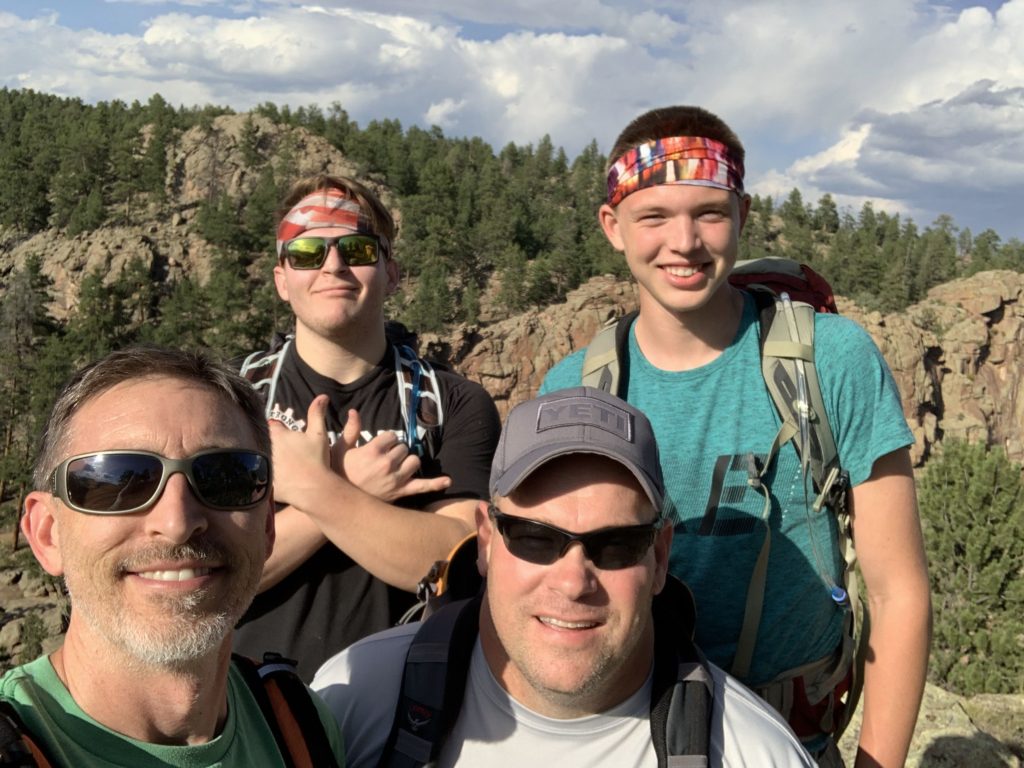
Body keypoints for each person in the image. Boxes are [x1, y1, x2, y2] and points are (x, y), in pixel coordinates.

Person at [539, 107, 932, 766]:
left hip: (792, 741)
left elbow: (900, 593)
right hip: (621, 737)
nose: (684, 242)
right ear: (613, 226)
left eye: (710, 213)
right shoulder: (575, 386)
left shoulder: (829, 360)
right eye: (654, 216)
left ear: (743, 215)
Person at [312, 387, 816, 767]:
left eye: (616, 545)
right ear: (485, 541)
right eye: (535, 538)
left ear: (660, 558)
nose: (574, 582)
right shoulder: (353, 702)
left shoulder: (750, 751)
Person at [0, 347, 344, 767]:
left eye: (226, 477)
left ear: (267, 526)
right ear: (47, 534)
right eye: (118, 480)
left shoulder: (300, 727)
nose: (178, 521)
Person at [232, 174, 502, 680]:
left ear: (391, 272)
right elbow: (214, 566)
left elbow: (460, 560)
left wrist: (318, 489)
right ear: (281, 280)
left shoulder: (451, 405)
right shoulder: (231, 402)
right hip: (248, 706)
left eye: (355, 248)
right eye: (307, 252)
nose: (332, 265)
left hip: (404, 707)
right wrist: (352, 488)